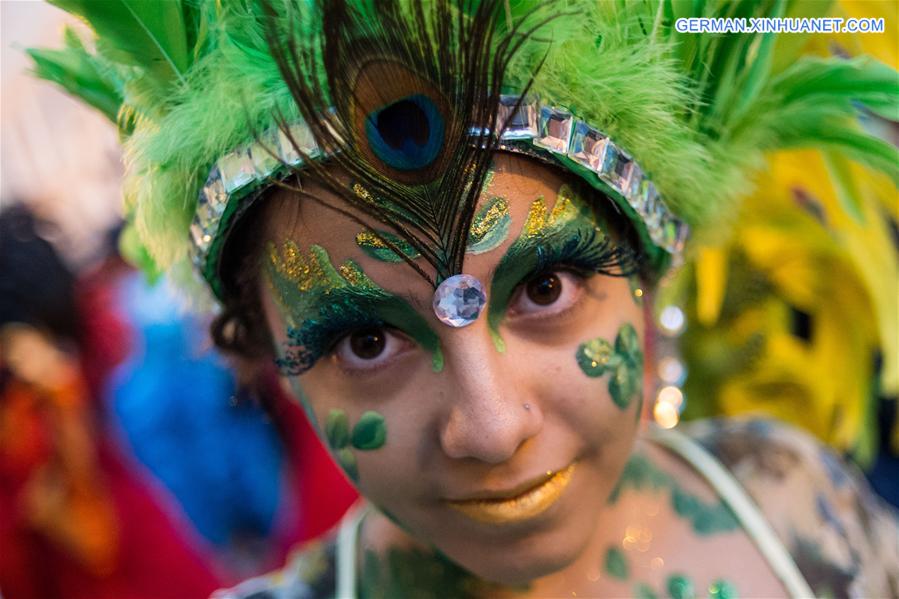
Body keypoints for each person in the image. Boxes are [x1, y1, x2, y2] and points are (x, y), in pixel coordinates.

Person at [32, 1, 899, 597]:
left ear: (643, 269)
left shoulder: (788, 497)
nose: (490, 428)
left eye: (545, 288)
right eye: (366, 340)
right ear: (274, 357)